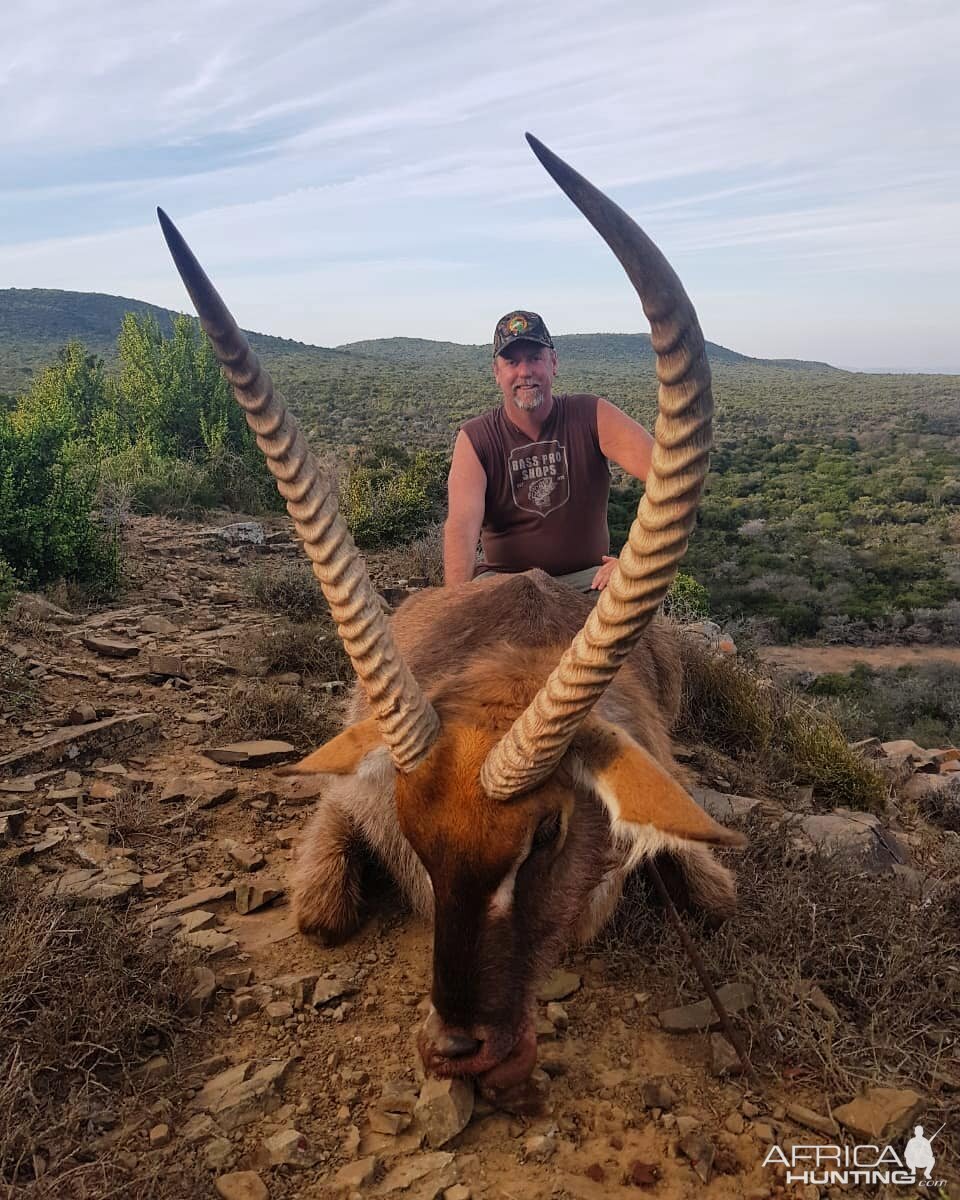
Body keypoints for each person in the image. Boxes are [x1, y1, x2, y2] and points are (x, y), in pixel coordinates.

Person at [443, 310, 655, 591]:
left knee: (633, 610)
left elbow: (669, 478)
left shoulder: (591, 414)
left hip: (589, 581)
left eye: (534, 358)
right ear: (497, 372)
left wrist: (634, 559)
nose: (524, 371)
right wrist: (456, 601)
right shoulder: (475, 438)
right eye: (511, 362)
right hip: (506, 584)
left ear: (553, 363)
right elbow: (462, 527)